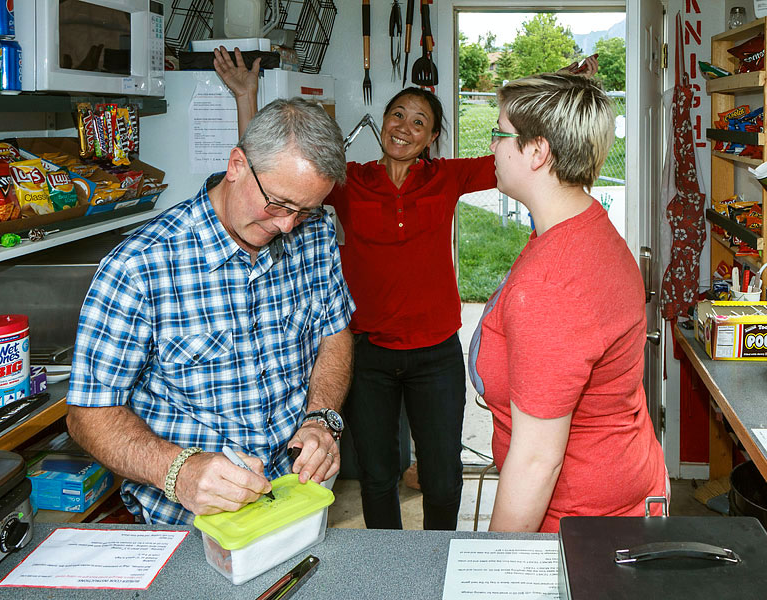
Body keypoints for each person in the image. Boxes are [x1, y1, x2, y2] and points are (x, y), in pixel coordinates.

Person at [213, 46, 497, 530]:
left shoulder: (446, 178)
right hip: (368, 354)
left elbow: (517, 157)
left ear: (431, 138)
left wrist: (564, 87)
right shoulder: (351, 180)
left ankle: (442, 560)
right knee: (378, 474)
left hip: (436, 353)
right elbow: (273, 164)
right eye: (397, 115)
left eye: (419, 122)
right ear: (383, 122)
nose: (404, 127)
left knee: (444, 476)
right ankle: (383, 564)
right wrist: (248, 95)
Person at [65, 97, 355, 525]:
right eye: (277, 204)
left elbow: (334, 332)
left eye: (304, 210)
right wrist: (177, 471)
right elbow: (88, 414)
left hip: (294, 503)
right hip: (185, 525)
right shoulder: (140, 266)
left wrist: (321, 417)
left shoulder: (317, 231)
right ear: (237, 165)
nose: (288, 226)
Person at [468, 73, 667, 533]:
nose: (493, 148)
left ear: (537, 152)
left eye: (499, 134)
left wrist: (498, 570)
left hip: (581, 526)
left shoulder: (553, 283)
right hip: (622, 488)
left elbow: (537, 461)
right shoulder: (585, 227)